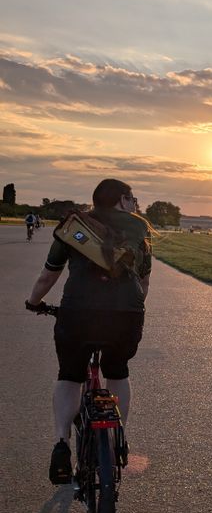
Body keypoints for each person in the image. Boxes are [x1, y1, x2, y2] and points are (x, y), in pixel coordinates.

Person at [26, 179, 152, 484]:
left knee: (70, 375)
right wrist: (131, 308)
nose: (135, 203)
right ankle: (114, 439)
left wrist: (34, 302)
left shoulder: (76, 227)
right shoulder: (139, 229)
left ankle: (61, 445)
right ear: (122, 200)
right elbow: (144, 282)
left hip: (78, 313)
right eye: (132, 198)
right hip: (125, 315)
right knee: (118, 371)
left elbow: (47, 276)